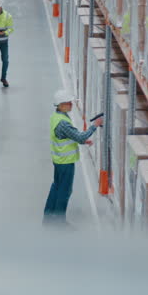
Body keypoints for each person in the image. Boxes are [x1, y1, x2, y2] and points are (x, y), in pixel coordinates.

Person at [43, 89, 103, 228]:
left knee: (56, 187)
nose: (71, 104)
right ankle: (59, 223)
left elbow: (70, 136)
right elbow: (80, 136)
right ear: (61, 104)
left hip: (58, 160)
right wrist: (95, 125)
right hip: (65, 163)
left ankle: (49, 216)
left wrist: (82, 141)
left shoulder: (56, 116)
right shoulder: (63, 122)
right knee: (64, 191)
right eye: (69, 102)